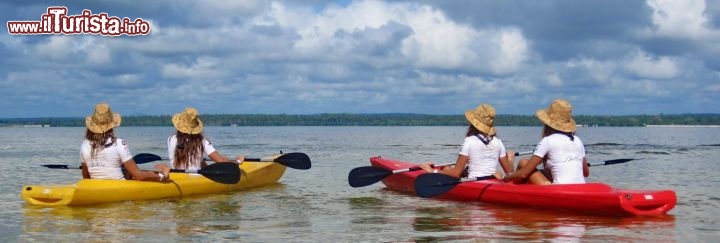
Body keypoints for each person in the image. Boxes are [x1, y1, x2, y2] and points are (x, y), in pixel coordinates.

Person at [503, 99, 589, 185]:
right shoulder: (577, 140)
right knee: (546, 169)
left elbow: (523, 174)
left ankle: (511, 187)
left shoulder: (548, 141)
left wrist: (506, 177)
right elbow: (586, 173)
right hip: (580, 187)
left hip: (559, 190)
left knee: (523, 163)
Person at [419, 104, 514, 179]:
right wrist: (510, 159)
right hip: (492, 179)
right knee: (446, 168)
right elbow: (510, 172)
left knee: (445, 168)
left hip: (474, 182)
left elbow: (456, 174)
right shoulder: (498, 142)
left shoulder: (469, 141)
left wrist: (433, 171)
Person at [81, 103, 170, 182]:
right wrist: (162, 176)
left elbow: (86, 177)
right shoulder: (118, 143)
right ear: (111, 126)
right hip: (118, 186)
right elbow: (139, 176)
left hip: (96, 186)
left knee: (129, 172)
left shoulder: (84, 145)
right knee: (138, 173)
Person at [167, 107, 244, 170]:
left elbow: (191, 157)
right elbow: (220, 162)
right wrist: (238, 161)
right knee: (224, 159)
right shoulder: (202, 141)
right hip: (195, 178)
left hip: (178, 176)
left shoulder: (171, 139)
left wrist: (204, 163)